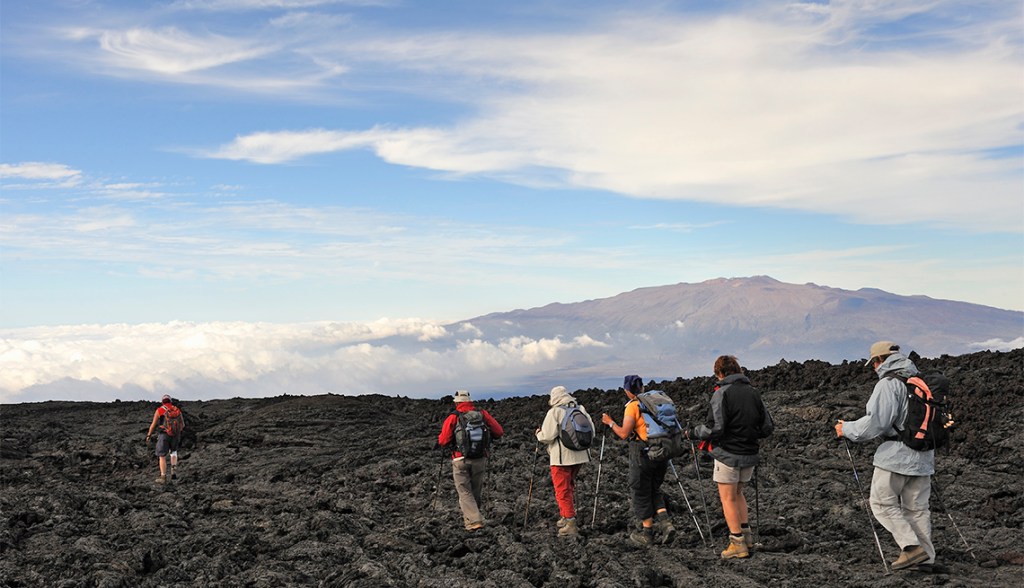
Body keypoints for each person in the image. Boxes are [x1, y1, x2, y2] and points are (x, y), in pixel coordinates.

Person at [835, 341, 935, 571]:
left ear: (879, 361)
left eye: (873, 363)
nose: (873, 368)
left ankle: (911, 548)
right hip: (924, 455)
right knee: (917, 509)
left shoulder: (889, 384)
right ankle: (926, 559)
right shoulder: (919, 380)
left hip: (896, 457)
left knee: (881, 502)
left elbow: (876, 423)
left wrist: (846, 429)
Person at [687, 355, 774, 559]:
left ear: (721, 373)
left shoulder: (721, 393)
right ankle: (747, 537)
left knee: (727, 498)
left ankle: (737, 543)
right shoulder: (754, 393)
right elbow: (767, 426)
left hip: (728, 454)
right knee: (738, 494)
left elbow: (714, 428)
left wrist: (692, 433)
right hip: (749, 453)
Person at [600, 375, 675, 546]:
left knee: (640, 490)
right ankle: (666, 524)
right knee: (654, 488)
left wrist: (610, 423)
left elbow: (624, 433)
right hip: (661, 451)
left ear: (627, 390)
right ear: (642, 388)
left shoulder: (633, 406)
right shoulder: (655, 402)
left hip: (643, 453)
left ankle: (647, 534)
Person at [438, 390, 505, 531]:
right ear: (469, 401)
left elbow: (443, 440)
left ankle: (474, 521)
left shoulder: (454, 417)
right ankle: (472, 520)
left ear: (457, 402)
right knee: (475, 490)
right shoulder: (482, 414)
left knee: (464, 491)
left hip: (460, 458)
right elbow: (499, 431)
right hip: (480, 458)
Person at [535, 385, 594, 538]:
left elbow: (547, 436)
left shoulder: (555, 411)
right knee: (569, 486)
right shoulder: (580, 409)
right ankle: (565, 515)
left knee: (562, 489)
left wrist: (538, 434)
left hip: (562, 459)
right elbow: (592, 430)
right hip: (580, 456)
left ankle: (570, 523)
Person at [145, 394, 184, 484]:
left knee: (162, 456)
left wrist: (149, 435)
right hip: (175, 435)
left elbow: (153, 424)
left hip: (164, 434)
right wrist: (176, 432)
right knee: (173, 452)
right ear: (170, 401)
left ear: (162, 402)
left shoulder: (159, 410)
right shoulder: (176, 410)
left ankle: (163, 476)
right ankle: (173, 470)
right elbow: (182, 424)